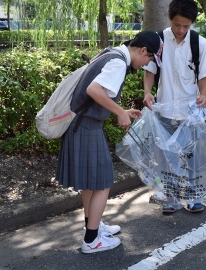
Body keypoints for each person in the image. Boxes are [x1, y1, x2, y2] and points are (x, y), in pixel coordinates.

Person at [56, 31, 162, 254]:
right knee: (103, 182)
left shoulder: (111, 53)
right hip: (87, 127)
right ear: (143, 50)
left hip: (81, 125)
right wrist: (118, 112)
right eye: (149, 59)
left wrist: (121, 110)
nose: (147, 64)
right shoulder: (118, 63)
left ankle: (93, 226)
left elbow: (96, 91)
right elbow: (93, 90)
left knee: (90, 182)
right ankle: (92, 240)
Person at [143, 0, 206, 214]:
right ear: (169, 17)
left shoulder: (198, 42)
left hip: (190, 111)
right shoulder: (159, 41)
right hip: (164, 108)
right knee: (167, 155)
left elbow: (204, 74)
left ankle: (193, 197)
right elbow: (150, 71)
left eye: (186, 25)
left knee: (191, 156)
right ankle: (172, 198)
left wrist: (203, 94)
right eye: (177, 24)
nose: (181, 29)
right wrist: (147, 92)